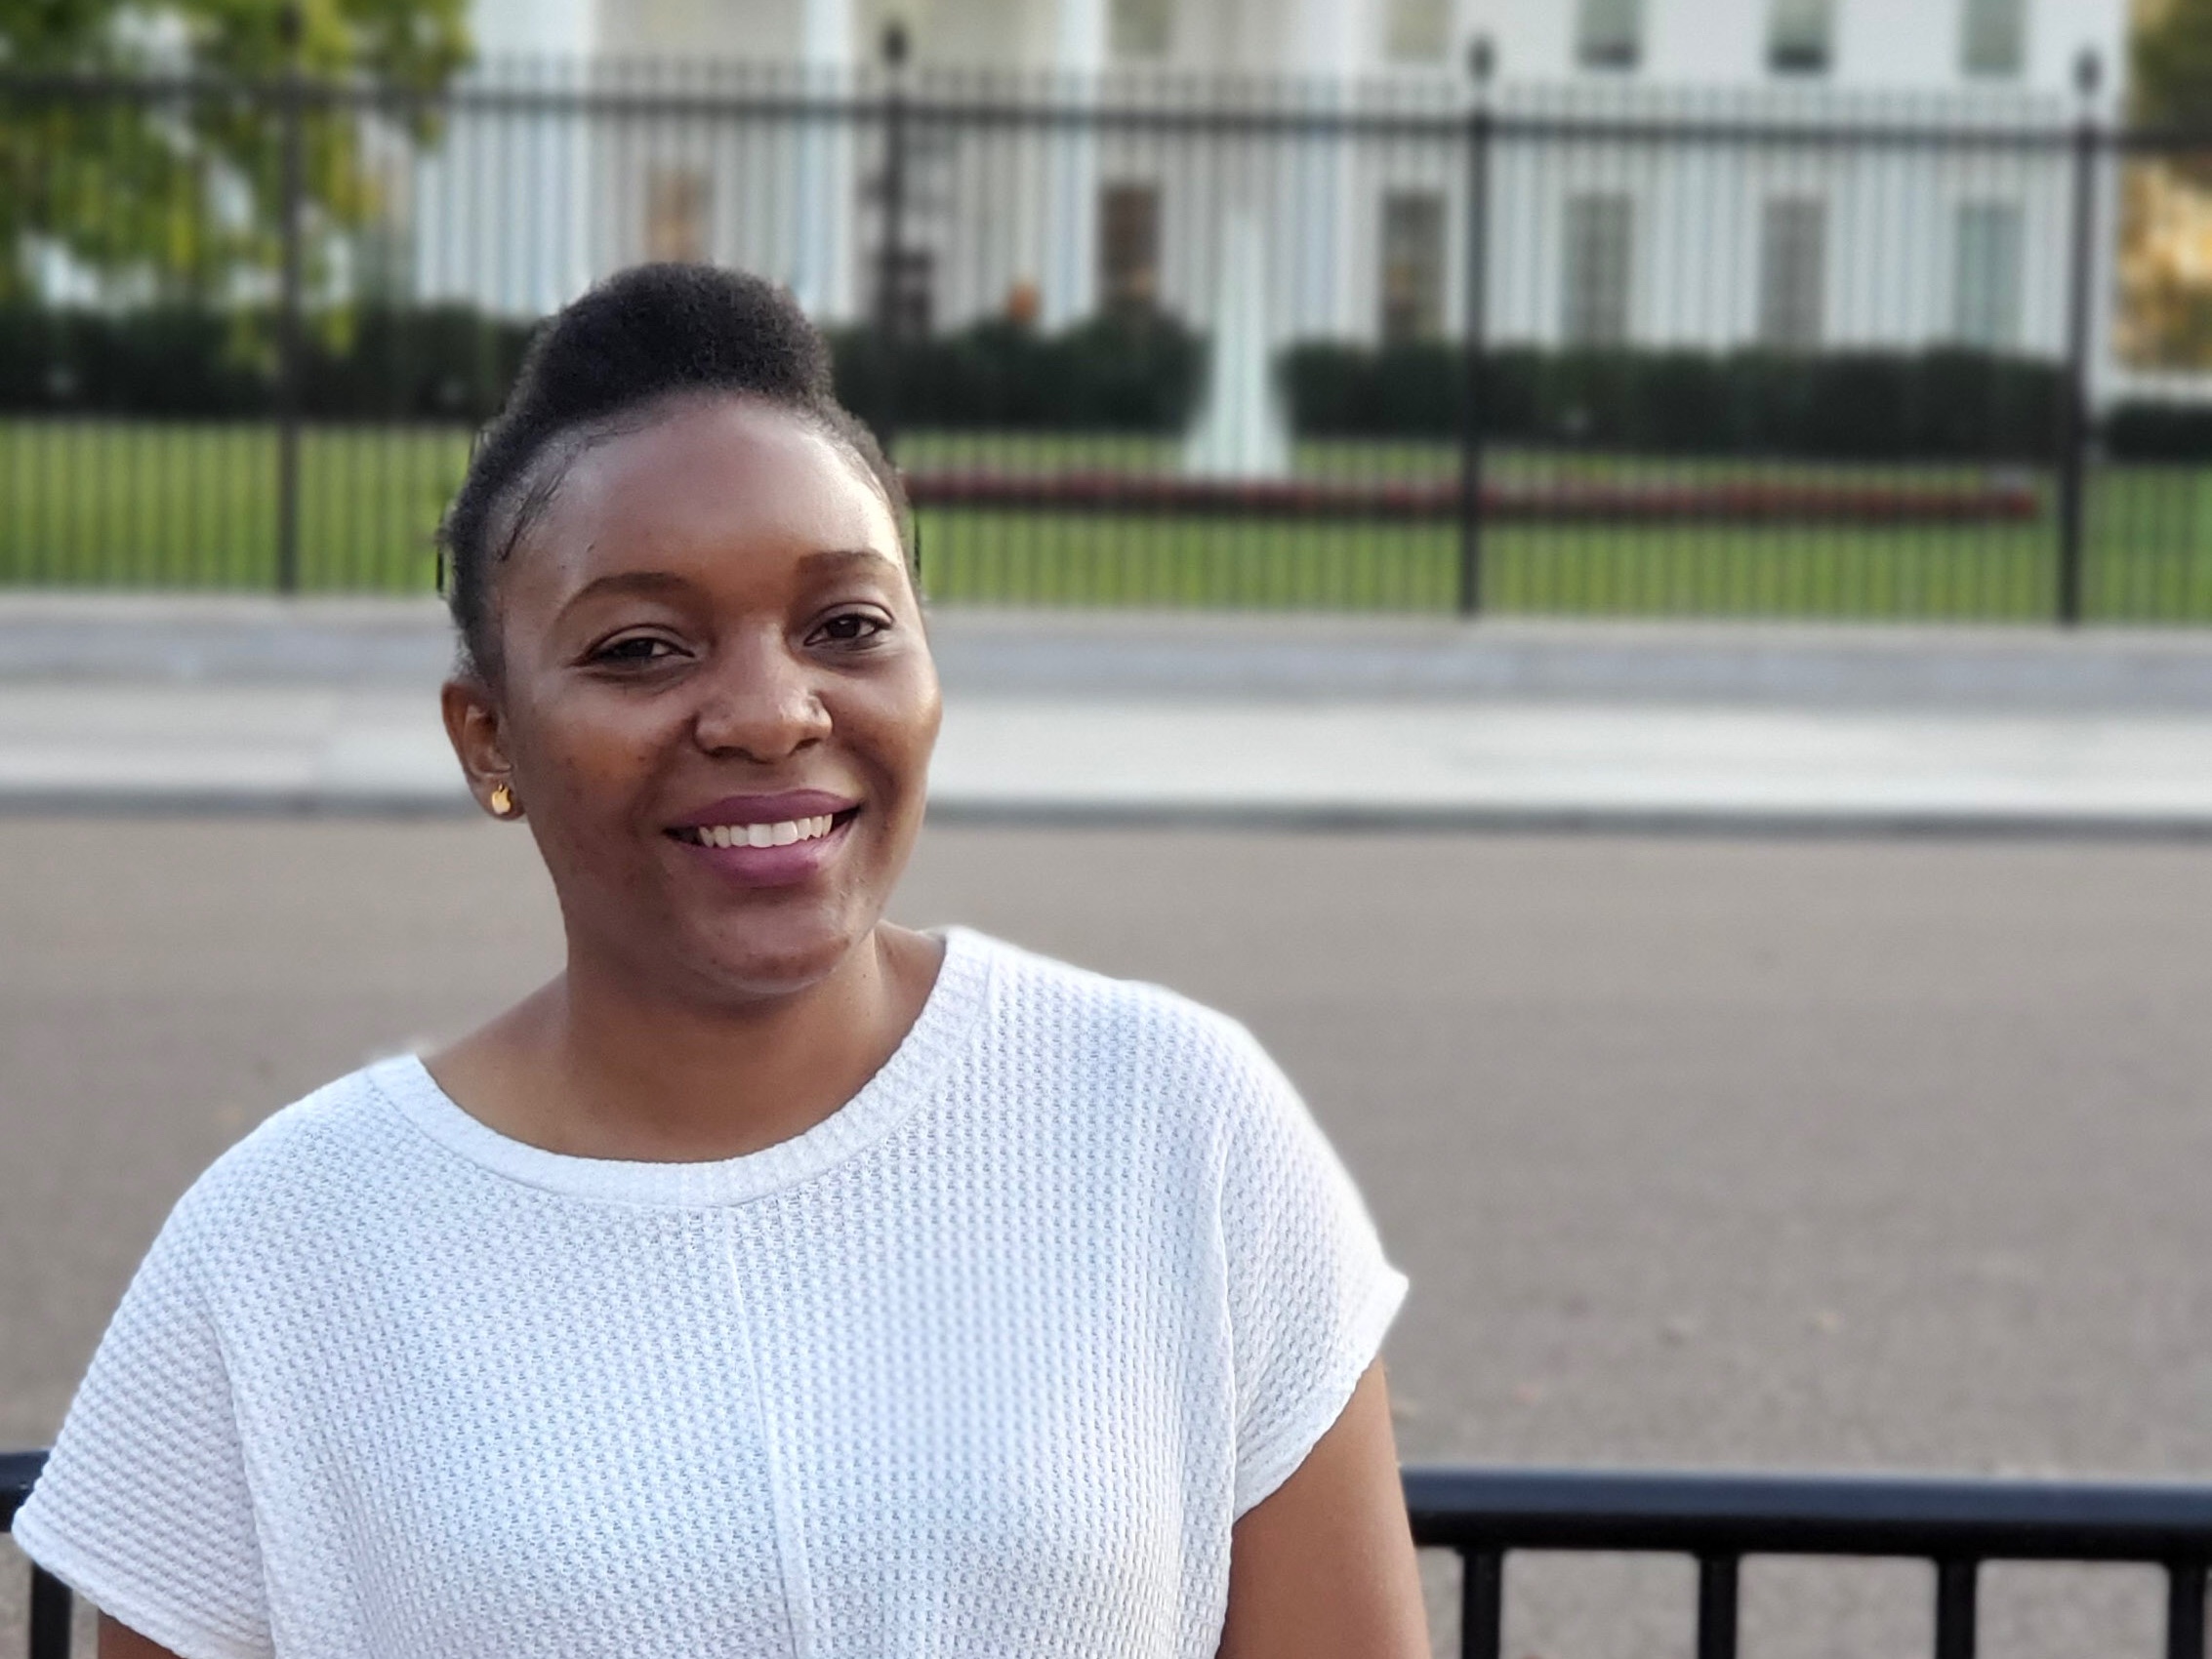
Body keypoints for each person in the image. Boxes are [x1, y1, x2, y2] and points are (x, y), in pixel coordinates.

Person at [16, 264, 1426, 1659]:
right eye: (640, 647)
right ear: (486, 738)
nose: (768, 712)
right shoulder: (284, 1245)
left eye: (847, 625)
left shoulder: (1171, 1128)